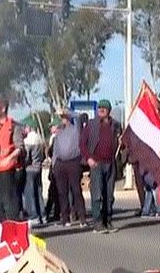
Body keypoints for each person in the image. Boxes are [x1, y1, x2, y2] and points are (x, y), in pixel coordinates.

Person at [80, 100, 122, 233]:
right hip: (96, 163)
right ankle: (97, 223)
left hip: (110, 163)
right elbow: (82, 144)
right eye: (99, 108)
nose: (101, 110)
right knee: (97, 194)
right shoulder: (91, 125)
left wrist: (121, 141)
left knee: (109, 195)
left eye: (104, 108)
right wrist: (89, 159)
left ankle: (107, 221)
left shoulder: (115, 125)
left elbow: (121, 142)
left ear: (109, 110)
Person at [0, 98, 24, 221]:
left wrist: (9, 159)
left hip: (7, 170)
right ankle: (2, 231)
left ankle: (13, 231)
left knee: (10, 204)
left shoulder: (13, 126)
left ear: (3, 109)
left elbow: (20, 147)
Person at [48, 111, 87, 226]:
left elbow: (79, 116)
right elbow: (55, 151)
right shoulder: (58, 134)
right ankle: (65, 218)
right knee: (62, 192)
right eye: (61, 118)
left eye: (64, 118)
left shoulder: (76, 129)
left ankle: (82, 218)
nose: (63, 120)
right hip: (60, 164)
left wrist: (66, 112)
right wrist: (54, 165)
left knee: (76, 190)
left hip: (73, 162)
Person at [21, 125, 46, 226]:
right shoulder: (39, 139)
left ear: (28, 127)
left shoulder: (28, 141)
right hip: (38, 168)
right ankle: (43, 215)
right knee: (39, 192)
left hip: (29, 169)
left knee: (30, 193)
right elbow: (44, 155)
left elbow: (27, 158)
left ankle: (34, 215)